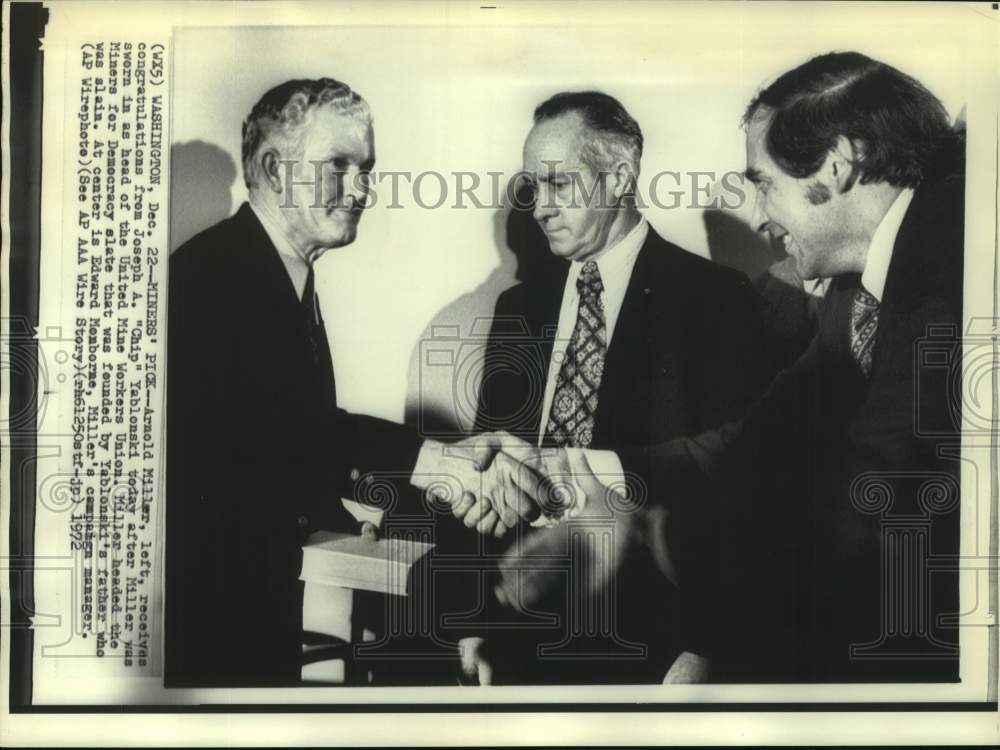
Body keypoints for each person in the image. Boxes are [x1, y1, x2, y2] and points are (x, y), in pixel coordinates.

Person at [497, 52, 965, 683]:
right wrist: (578, 467)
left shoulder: (948, 274)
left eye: (764, 182)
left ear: (840, 162)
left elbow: (863, 509)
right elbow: (752, 441)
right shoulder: (860, 295)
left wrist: (699, 622)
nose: (760, 216)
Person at [165, 78, 542, 687]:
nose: (362, 188)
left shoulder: (273, 271)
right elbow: (281, 435)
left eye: (366, 167)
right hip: (208, 625)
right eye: (337, 165)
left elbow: (263, 436)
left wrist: (328, 511)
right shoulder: (215, 277)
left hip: (248, 608)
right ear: (273, 168)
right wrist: (440, 463)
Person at [453, 91, 768, 684]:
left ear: (620, 176)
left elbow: (737, 489)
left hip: (647, 630)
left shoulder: (715, 300)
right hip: (521, 614)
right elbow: (486, 465)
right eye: (532, 187)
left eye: (558, 184)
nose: (541, 208)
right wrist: (473, 616)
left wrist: (704, 647)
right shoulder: (519, 307)